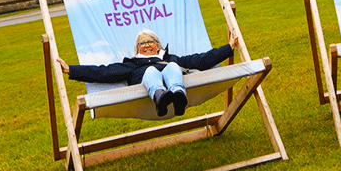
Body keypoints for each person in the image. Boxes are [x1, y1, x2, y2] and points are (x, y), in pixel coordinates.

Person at [57, 29, 238, 117]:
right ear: (137, 49)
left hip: (174, 82)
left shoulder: (171, 59)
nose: (146, 45)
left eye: (149, 41)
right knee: (151, 70)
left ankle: (178, 97)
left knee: (174, 67)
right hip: (148, 90)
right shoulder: (132, 65)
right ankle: (160, 97)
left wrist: (228, 48)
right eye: (141, 43)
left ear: (157, 45)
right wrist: (71, 70)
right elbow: (104, 72)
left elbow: (199, 60)